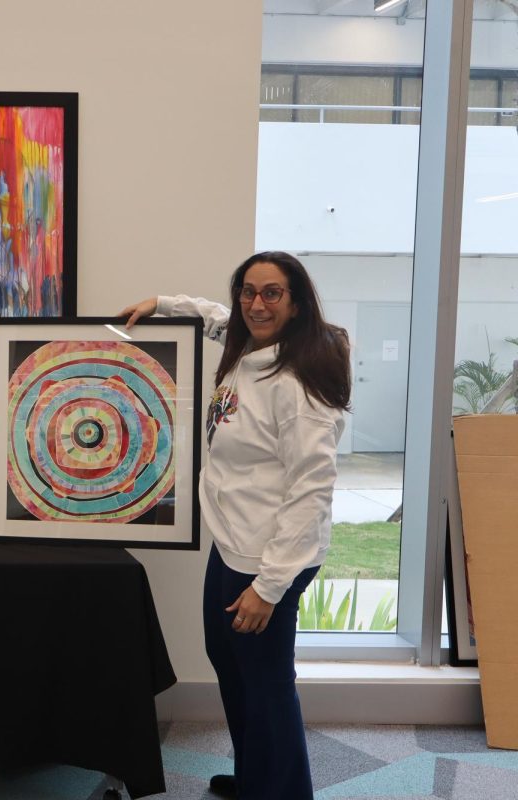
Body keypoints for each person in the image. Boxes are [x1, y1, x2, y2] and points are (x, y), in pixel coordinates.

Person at [120, 252, 350, 800]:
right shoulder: (248, 345)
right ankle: (255, 779)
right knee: (231, 664)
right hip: (231, 546)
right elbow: (215, 316)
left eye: (272, 293)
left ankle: (284, 792)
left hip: (269, 559)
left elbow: (311, 492)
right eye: (249, 291)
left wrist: (268, 588)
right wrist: (163, 304)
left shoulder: (297, 385)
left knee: (267, 686)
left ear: (296, 305)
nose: (255, 304)